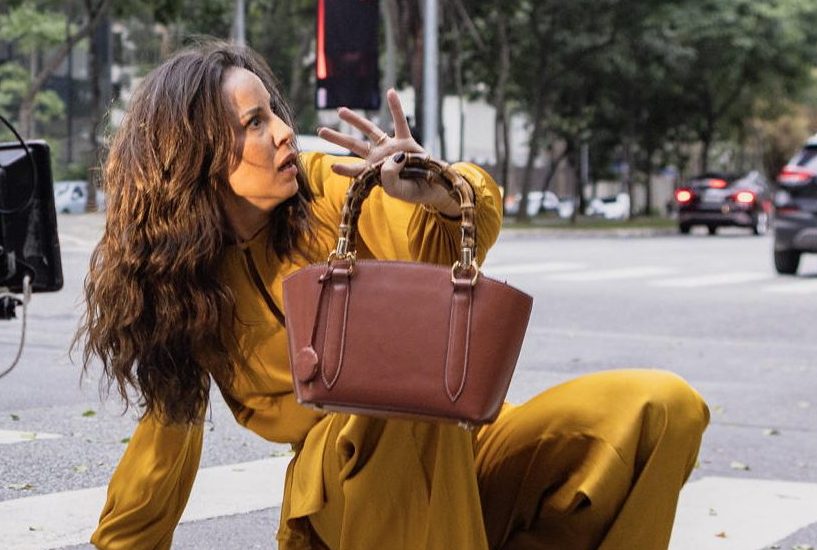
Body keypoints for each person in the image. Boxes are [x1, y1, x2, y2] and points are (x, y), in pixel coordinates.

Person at [75, 41, 709, 550]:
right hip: (342, 488)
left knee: (661, 408)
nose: (285, 133)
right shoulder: (183, 285)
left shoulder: (331, 191)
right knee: (387, 402)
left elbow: (442, 239)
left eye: (275, 112)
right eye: (254, 123)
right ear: (193, 156)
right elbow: (163, 447)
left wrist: (438, 189)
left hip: (463, 450)